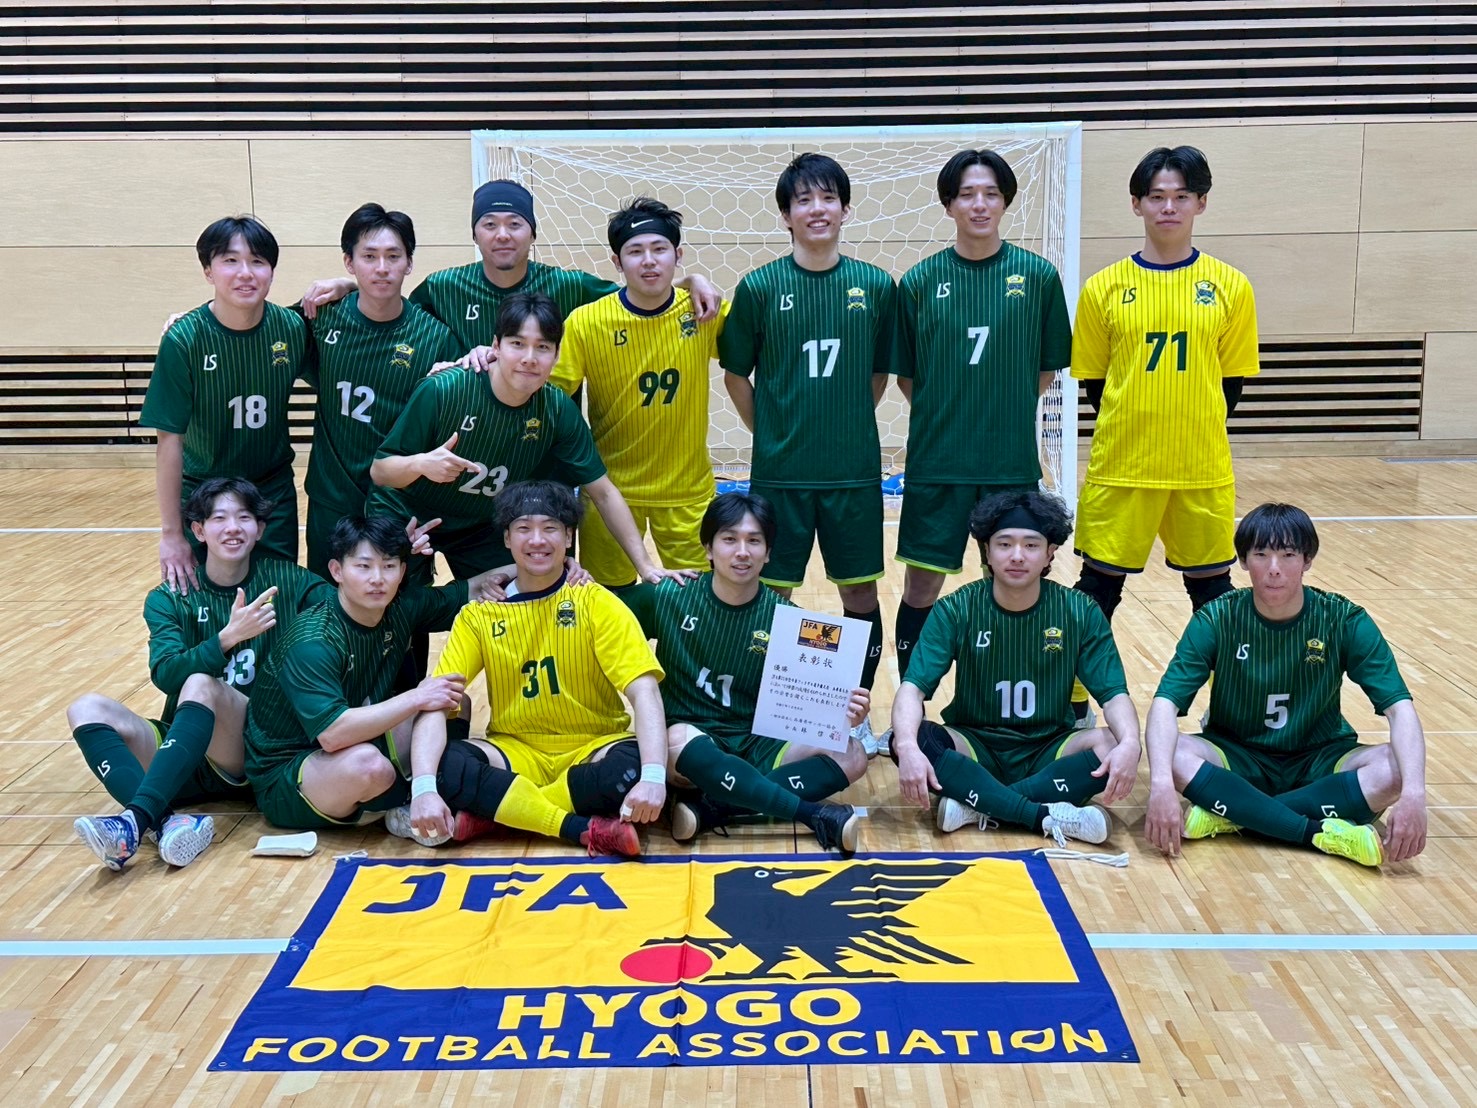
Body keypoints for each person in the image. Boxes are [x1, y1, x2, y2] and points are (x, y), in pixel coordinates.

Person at [1069, 145, 1259, 720]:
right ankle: (1069, 703)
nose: (1168, 207)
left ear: (1201, 203)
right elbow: (1096, 382)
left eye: (1181, 196)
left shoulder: (1230, 286)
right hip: (1123, 465)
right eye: (1157, 197)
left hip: (1199, 466)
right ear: (1137, 204)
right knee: (1096, 591)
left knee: (1212, 593)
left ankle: (1230, 707)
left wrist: (1188, 425)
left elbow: (1231, 383)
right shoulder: (1103, 288)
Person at [719, 153, 894, 750]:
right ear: (786, 215)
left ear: (845, 209)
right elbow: (735, 375)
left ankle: (856, 715)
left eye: (827, 198)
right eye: (803, 200)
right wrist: (770, 433)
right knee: (770, 595)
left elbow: (878, 376)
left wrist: (844, 425)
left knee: (860, 595)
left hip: (852, 476)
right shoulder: (760, 287)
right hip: (780, 478)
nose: (816, 209)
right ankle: (769, 713)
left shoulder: (876, 286)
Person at [69, 478, 336, 870]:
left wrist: (401, 560)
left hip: (254, 745)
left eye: (244, 518)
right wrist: (227, 638)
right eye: (219, 518)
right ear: (198, 530)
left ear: (260, 529)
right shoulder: (169, 597)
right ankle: (167, 823)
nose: (232, 528)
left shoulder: (290, 582)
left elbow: (351, 607)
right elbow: (165, 674)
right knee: (85, 708)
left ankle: (133, 823)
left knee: (200, 684)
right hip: (185, 750)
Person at [1144, 503, 1428, 867]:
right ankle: (1316, 833)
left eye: (1288, 555)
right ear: (1243, 561)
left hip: (1320, 757)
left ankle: (1234, 814)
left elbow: (1400, 708)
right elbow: (1165, 703)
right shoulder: (1217, 618)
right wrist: (1160, 785)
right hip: (1237, 755)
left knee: (1399, 770)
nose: (1274, 568)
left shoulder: (1343, 619)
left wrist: (1415, 794)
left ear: (1307, 560)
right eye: (1261, 555)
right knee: (1171, 755)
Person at [393, 482, 666, 857]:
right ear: (507, 538)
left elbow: (644, 690)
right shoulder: (480, 614)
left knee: (635, 766)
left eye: (550, 528)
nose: (537, 540)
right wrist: (423, 788)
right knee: (445, 768)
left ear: (568, 537)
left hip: (593, 747)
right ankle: (577, 828)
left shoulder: (597, 602)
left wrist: (654, 776)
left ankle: (501, 814)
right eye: (524, 528)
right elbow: (437, 700)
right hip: (515, 750)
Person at [891, 149, 1072, 688]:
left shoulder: (1037, 276)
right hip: (938, 465)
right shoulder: (919, 281)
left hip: (1009, 464)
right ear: (949, 204)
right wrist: (950, 413)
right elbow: (907, 377)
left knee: (1017, 584)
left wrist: (1001, 408)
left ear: (1005, 201)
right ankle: (911, 706)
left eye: (991, 193)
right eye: (967, 194)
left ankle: (1010, 702)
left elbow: (1045, 369)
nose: (979, 204)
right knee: (921, 588)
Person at [367, 292, 684, 592]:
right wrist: (421, 464)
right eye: (518, 344)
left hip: (479, 527)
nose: (529, 358)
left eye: (543, 347)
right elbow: (381, 471)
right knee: (395, 605)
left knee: (520, 595)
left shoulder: (557, 409)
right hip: (407, 513)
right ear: (496, 346)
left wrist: (646, 567)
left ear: (556, 355)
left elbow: (603, 491)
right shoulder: (444, 389)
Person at [889, 490, 1140, 846]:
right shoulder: (956, 609)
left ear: (1050, 553)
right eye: (1004, 544)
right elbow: (912, 689)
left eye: (1031, 545)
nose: (1017, 556)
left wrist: (1131, 743)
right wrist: (907, 747)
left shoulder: (1079, 611)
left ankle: (978, 805)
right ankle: (1040, 814)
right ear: (987, 552)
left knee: (1117, 742)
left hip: (1048, 747)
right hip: (975, 745)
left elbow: (1114, 695)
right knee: (909, 740)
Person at [622, 491, 870, 852]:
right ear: (708, 548)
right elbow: (599, 615)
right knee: (674, 739)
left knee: (852, 753)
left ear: (767, 553)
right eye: (729, 539)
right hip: (693, 743)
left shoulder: (789, 620)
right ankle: (811, 814)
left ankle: (713, 808)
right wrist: (573, 573)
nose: (742, 552)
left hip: (756, 738)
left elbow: (813, 707)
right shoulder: (668, 596)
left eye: (754, 541)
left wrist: (843, 713)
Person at [242, 516, 499, 830]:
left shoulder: (398, 608)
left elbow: (474, 589)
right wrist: (417, 697)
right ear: (337, 571)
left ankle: (428, 797)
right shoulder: (314, 641)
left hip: (354, 741)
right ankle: (403, 804)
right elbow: (333, 735)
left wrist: (547, 566)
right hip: (289, 773)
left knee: (452, 701)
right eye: (363, 567)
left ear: (402, 572)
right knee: (368, 765)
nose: (377, 579)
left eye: (388, 566)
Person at [299, 179, 722, 354]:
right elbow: (391, 302)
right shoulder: (444, 286)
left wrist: (691, 279)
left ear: (532, 233)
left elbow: (641, 294)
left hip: (544, 442)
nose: (502, 234)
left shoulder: (568, 286)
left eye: (515, 224)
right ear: (475, 234)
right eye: (490, 224)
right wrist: (349, 285)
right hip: (465, 437)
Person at [552, 197, 726, 588]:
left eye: (659, 249)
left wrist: (695, 280)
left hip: (688, 492)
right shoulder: (585, 323)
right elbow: (549, 396)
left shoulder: (703, 310)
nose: (649, 261)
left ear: (678, 255)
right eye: (635, 252)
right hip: (610, 492)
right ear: (617, 262)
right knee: (611, 600)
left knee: (696, 600)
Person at [141, 216, 311, 591]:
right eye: (230, 260)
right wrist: (171, 534)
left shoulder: (292, 328)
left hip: (270, 493)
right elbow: (168, 442)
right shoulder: (185, 339)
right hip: (204, 493)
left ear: (271, 271)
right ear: (208, 270)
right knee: (205, 605)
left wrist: (346, 283)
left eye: (257, 261)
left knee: (277, 601)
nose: (245, 273)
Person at [302, 203, 463, 578]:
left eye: (393, 256)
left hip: (400, 501)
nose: (382, 267)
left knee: (402, 605)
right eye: (369, 256)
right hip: (332, 498)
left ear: (409, 263)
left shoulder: (435, 338)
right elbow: (258, 327)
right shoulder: (321, 316)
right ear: (349, 262)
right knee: (325, 599)